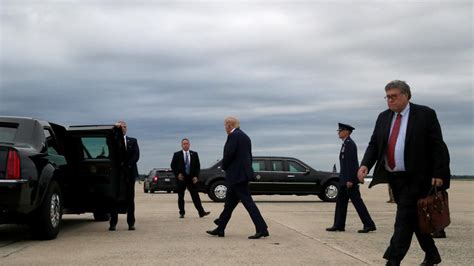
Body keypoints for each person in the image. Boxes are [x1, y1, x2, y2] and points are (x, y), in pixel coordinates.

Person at [357, 80, 451, 266]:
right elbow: (375, 144)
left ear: (406, 96)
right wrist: (365, 164)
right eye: (387, 97)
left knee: (403, 221)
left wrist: (439, 173)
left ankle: (393, 261)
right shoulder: (383, 117)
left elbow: (437, 146)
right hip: (395, 178)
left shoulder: (425, 114)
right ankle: (432, 255)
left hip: (418, 177)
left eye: (394, 96)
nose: (390, 100)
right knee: (415, 219)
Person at [206, 116, 269, 239]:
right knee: (229, 204)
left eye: (225, 125)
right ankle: (220, 228)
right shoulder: (245, 136)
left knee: (248, 203)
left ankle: (262, 228)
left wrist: (223, 166)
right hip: (240, 175)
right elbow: (248, 156)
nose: (225, 128)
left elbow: (229, 154)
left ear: (230, 125)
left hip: (236, 176)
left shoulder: (233, 136)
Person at [326, 123, 376, 233]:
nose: (338, 132)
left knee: (357, 202)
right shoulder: (345, 144)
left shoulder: (350, 145)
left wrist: (350, 179)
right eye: (338, 130)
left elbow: (352, 163)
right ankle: (339, 225)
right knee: (341, 203)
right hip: (344, 180)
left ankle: (369, 224)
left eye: (340, 130)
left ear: (347, 132)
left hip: (349, 181)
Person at [109, 120, 140, 231]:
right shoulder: (112, 141)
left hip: (129, 173)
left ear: (127, 128)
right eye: (120, 127)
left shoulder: (133, 141)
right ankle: (113, 223)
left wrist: (127, 165)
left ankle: (131, 223)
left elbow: (136, 155)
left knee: (130, 198)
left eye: (124, 127)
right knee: (114, 198)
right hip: (117, 174)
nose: (122, 128)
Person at [170, 138, 210, 219]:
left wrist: (196, 176)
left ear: (189, 145)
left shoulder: (194, 154)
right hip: (181, 178)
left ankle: (201, 212)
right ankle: (182, 213)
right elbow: (173, 166)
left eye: (187, 143)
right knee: (181, 196)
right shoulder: (177, 154)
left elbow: (197, 166)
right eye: (184, 144)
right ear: (181, 145)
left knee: (195, 195)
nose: (185, 145)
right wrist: (177, 174)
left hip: (191, 178)